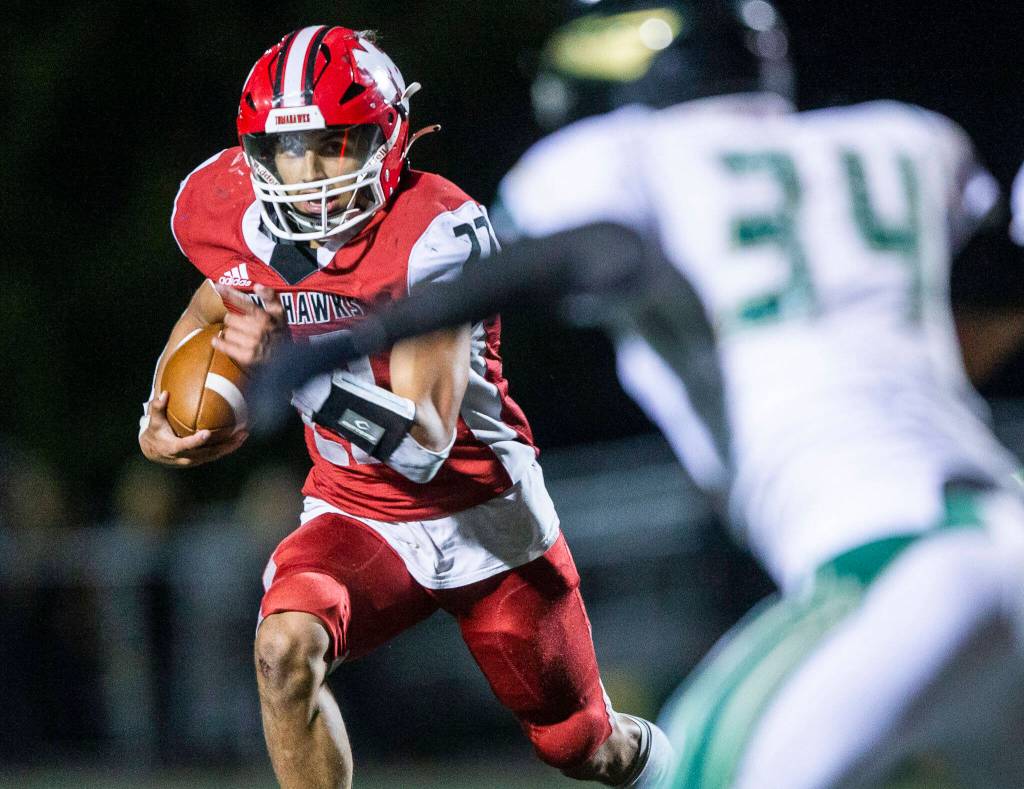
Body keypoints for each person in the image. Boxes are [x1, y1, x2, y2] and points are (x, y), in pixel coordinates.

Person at [252, 4, 1024, 787]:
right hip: (1001, 519)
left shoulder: (629, 159)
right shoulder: (904, 141)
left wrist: (358, 337)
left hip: (895, 566)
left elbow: (604, 249)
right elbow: (990, 304)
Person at [137, 24, 671, 789]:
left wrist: (291, 369)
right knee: (284, 649)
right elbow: (210, 302)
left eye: (334, 144)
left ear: (386, 139)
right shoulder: (228, 209)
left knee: (582, 747)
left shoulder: (435, 232)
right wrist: (164, 406)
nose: (310, 172)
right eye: (290, 149)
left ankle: (685, 768)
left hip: (484, 517)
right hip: (355, 513)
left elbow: (424, 440)